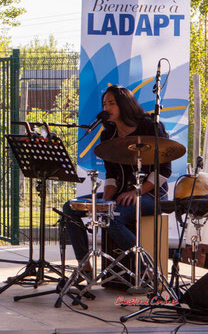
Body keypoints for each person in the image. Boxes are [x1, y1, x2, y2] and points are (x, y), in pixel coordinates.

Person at [61, 85, 172, 272]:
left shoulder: (151, 126)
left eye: (111, 103)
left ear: (125, 104)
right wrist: (105, 200)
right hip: (122, 193)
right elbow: (111, 176)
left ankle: (147, 269)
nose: (106, 108)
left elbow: (164, 171)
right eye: (104, 104)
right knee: (69, 208)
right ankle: (84, 268)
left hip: (151, 195)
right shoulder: (108, 135)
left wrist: (136, 192)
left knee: (110, 216)